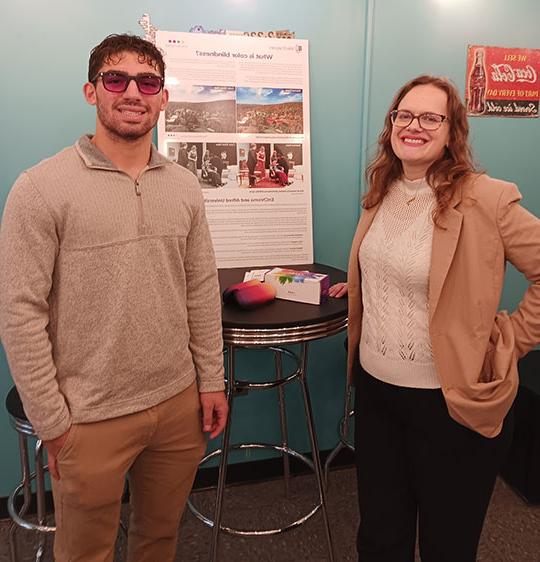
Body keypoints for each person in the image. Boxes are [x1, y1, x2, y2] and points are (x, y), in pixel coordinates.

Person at [0, 33, 228, 562]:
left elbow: (199, 288)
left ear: (163, 98)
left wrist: (210, 380)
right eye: (115, 78)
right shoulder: (41, 188)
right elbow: (20, 312)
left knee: (158, 542)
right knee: (85, 554)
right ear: (91, 91)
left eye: (148, 81)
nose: (132, 92)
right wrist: (54, 423)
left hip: (177, 407)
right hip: (90, 416)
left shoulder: (184, 186)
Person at [334, 75, 539, 561]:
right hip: (377, 393)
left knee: (448, 543)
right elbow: (402, 266)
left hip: (449, 404)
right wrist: (369, 283)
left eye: (431, 117)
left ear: (453, 132)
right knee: (381, 536)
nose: (415, 126)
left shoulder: (486, 198)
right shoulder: (383, 188)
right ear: (392, 126)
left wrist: (509, 338)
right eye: (404, 115)